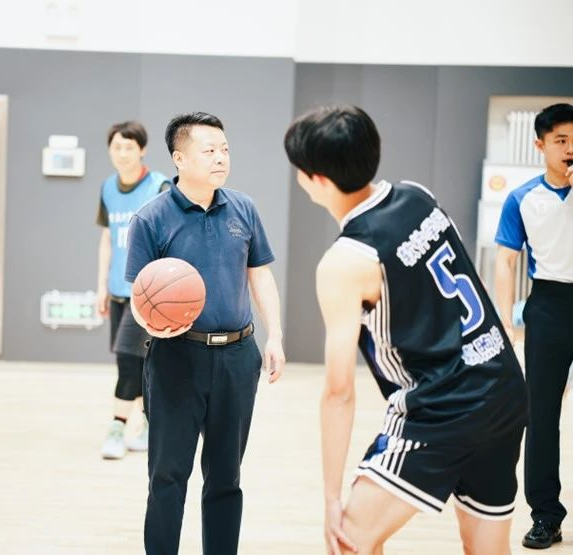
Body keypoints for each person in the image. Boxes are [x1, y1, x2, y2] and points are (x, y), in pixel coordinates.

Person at [284, 105, 527, 555]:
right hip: (503, 385)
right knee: (487, 548)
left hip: (443, 406)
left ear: (315, 180)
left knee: (349, 542)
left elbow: (339, 392)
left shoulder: (346, 262)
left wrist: (332, 497)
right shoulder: (418, 195)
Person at [125, 111, 285, 554]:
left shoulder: (244, 208)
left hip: (237, 357)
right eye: (209, 150)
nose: (220, 158)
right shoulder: (150, 219)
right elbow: (139, 296)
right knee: (168, 476)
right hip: (177, 358)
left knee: (226, 477)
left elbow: (260, 275)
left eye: (225, 149)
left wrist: (274, 336)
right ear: (179, 158)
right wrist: (156, 322)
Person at [494, 102, 573, 549]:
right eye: (561, 140)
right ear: (540, 145)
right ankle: (546, 515)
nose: (570, 148)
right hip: (548, 307)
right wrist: (505, 324)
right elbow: (506, 261)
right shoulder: (522, 198)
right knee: (541, 416)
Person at [95, 121, 170, 460]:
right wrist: (100, 286)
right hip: (117, 290)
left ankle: (117, 427)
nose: (122, 153)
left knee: (127, 359)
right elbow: (107, 238)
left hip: (146, 292)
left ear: (142, 149)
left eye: (129, 146)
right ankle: (151, 425)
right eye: (117, 147)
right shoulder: (107, 188)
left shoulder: (160, 186)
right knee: (135, 363)